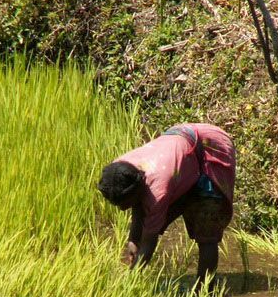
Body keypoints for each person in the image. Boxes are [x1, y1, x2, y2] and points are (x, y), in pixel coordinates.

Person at [96, 123, 236, 287]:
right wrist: (133, 240)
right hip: (180, 152)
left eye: (124, 203)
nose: (121, 208)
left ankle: (205, 290)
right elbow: (138, 205)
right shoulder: (118, 170)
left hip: (210, 147)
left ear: (139, 189)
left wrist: (129, 282)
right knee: (168, 196)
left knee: (207, 230)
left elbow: (149, 242)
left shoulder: (158, 191)